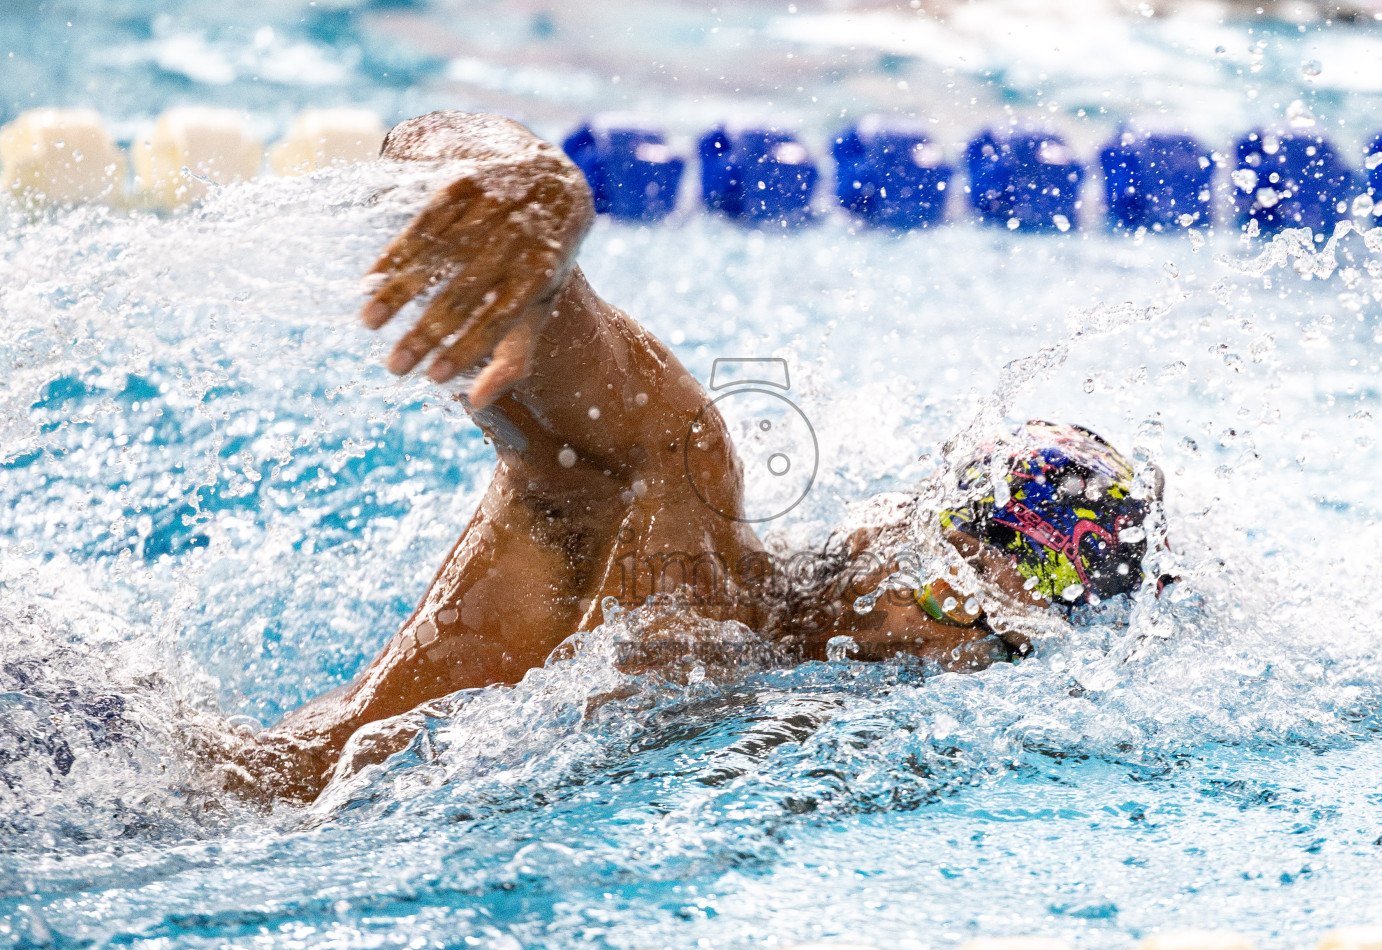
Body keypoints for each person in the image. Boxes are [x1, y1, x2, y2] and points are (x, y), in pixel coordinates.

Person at [207, 111, 1157, 803]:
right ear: (897, 519)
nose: (941, 645)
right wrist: (532, 187)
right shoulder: (675, 513)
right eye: (952, 587)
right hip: (168, 803)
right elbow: (436, 158)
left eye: (998, 645)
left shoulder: (775, 701)